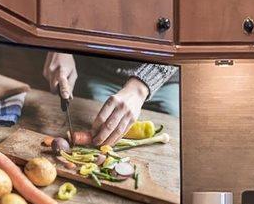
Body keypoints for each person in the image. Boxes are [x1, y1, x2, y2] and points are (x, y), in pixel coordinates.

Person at [38, 53, 173, 144]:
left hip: (162, 80)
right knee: (97, 124)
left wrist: (140, 88)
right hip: (100, 73)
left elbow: (188, 36)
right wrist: (60, 45)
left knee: (172, 120)